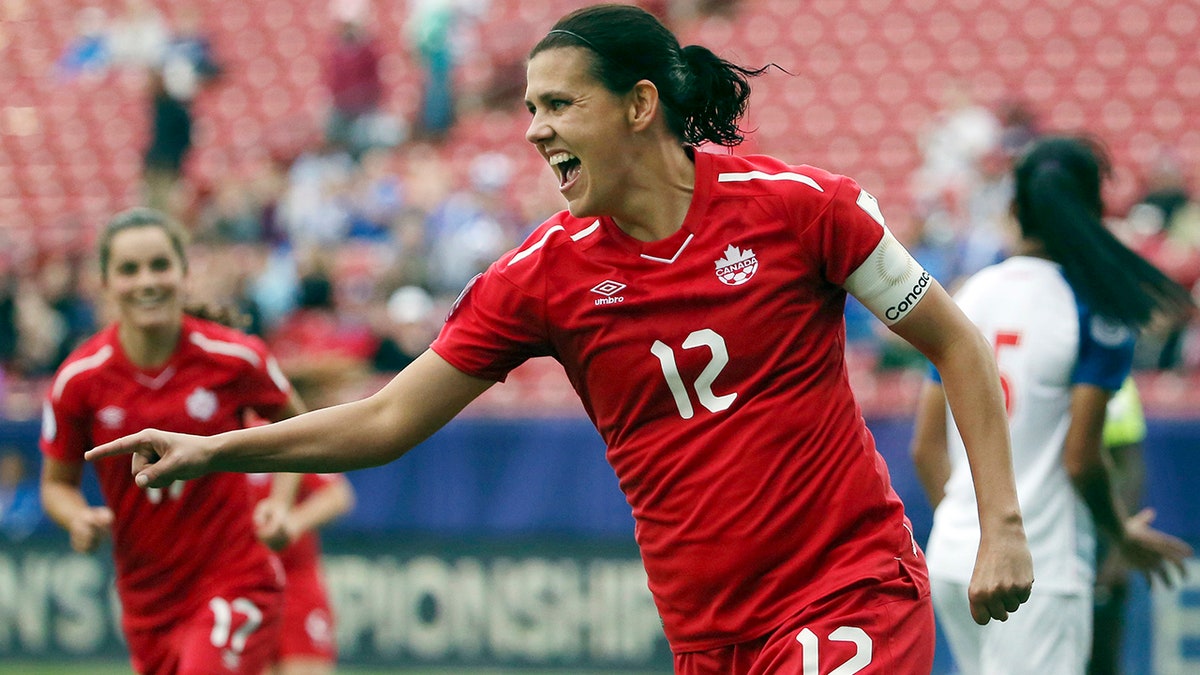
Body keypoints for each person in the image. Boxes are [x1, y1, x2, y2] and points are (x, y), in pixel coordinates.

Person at [89, 5, 1035, 673]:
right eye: (531, 107)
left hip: (847, 588)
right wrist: (217, 451)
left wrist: (1002, 525)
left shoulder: (801, 210)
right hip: (709, 637)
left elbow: (957, 344)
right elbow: (384, 421)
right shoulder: (540, 276)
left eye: (559, 105)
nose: (536, 131)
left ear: (637, 106)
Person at [910, 136, 1194, 675]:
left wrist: (965, 528)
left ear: (1015, 209)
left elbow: (926, 448)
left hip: (953, 559)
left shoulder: (967, 295)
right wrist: (1122, 532)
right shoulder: (1095, 310)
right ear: (1095, 211)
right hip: (1037, 568)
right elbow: (1082, 459)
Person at [41, 207, 307, 675]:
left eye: (160, 265)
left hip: (235, 577)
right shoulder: (78, 380)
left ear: (184, 273)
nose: (146, 280)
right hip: (148, 601)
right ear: (104, 281)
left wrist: (282, 503)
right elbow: (56, 484)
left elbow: (300, 432)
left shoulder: (235, 357)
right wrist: (77, 517)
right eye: (129, 269)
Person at [251, 472, 355, 675]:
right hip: (245, 587)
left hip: (296, 586)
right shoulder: (222, 451)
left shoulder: (285, 447)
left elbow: (338, 496)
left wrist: (292, 524)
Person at [1089, 376, 1148, 675]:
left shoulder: (1114, 378)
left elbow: (1129, 469)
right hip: (1046, 538)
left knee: (1101, 660)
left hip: (1098, 538)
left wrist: (1117, 548)